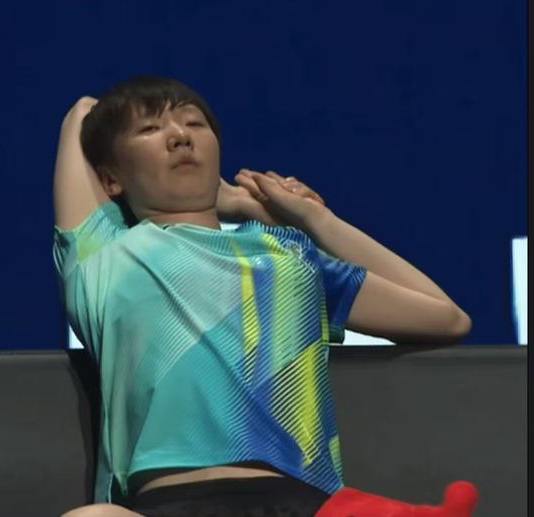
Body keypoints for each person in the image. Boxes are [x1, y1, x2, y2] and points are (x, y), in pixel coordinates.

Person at [53, 76, 475, 517]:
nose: (180, 137)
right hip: (165, 504)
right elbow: (83, 110)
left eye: (194, 123)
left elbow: (446, 317)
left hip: (298, 501)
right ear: (110, 179)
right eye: (149, 129)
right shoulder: (103, 255)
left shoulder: (288, 256)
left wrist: (314, 220)